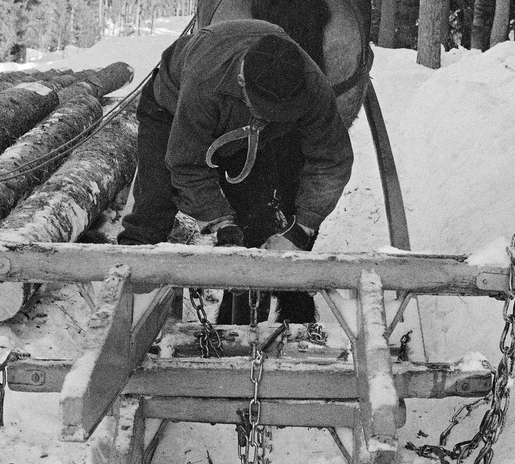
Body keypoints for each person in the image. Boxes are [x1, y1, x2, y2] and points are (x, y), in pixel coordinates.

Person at [117, 17, 352, 323]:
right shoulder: (205, 81)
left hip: (248, 133)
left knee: (259, 217)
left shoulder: (310, 83)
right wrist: (221, 222)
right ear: (242, 83)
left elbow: (331, 159)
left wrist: (300, 229)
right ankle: (128, 314)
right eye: (265, 111)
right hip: (171, 112)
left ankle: (241, 323)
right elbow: (186, 164)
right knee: (154, 208)